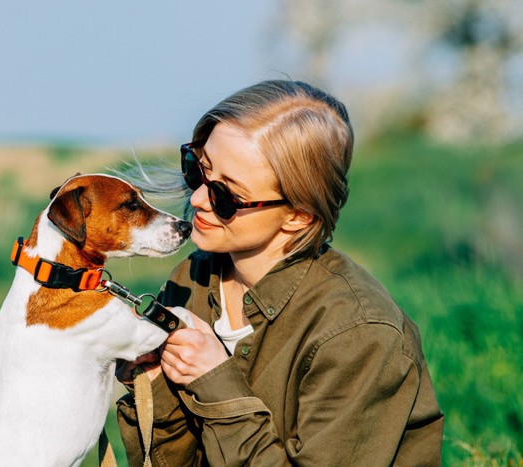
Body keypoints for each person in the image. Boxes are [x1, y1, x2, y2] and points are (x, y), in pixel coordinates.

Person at [115, 80, 444, 466]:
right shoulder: (191, 281)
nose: (198, 198)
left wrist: (215, 380)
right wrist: (152, 385)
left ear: (298, 215)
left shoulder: (358, 334)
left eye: (226, 196)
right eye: (198, 170)